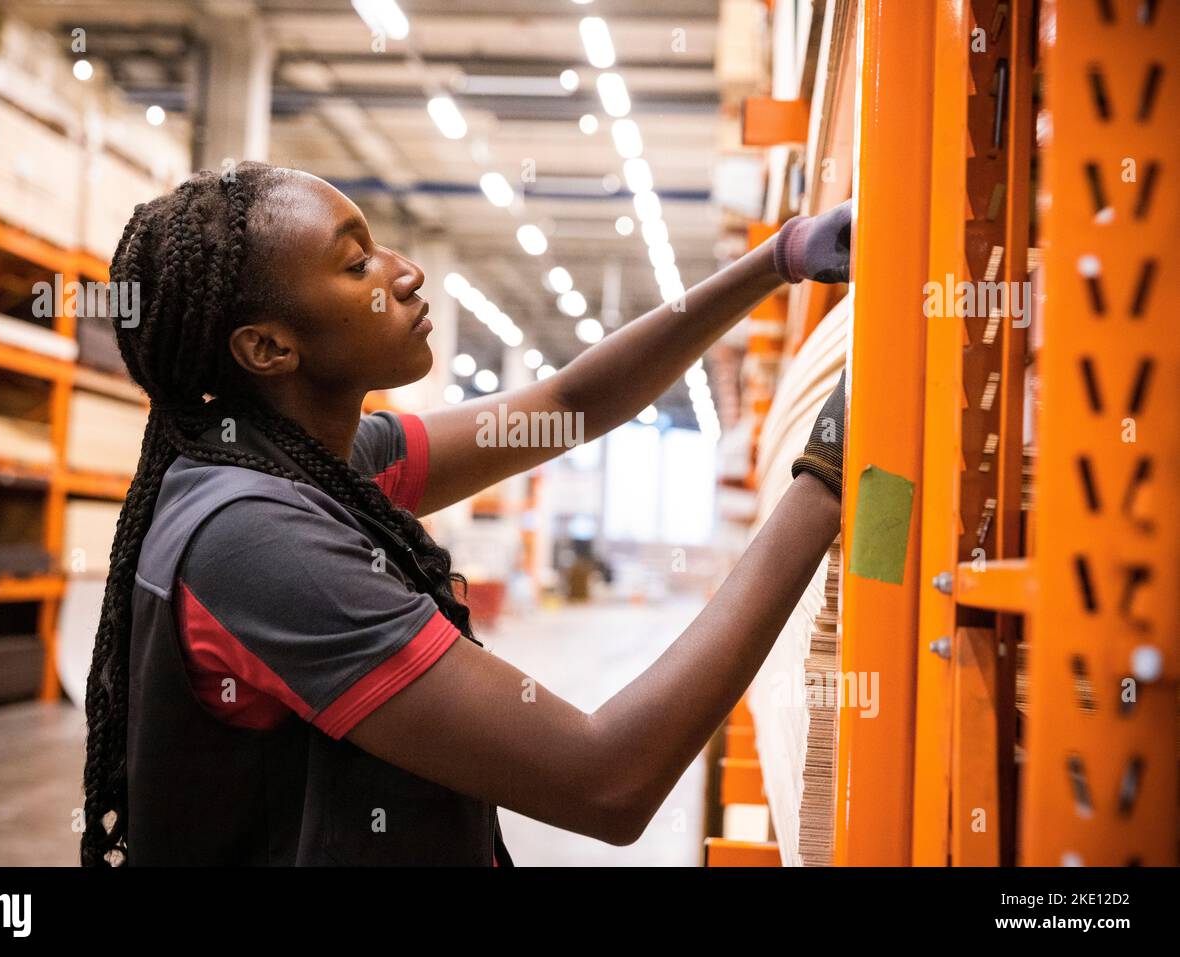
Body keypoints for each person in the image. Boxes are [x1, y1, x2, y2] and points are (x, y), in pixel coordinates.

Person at [79, 161, 852, 866]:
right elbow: (607, 779)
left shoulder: (315, 459)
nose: (408, 273)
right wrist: (824, 476)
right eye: (357, 265)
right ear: (269, 347)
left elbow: (567, 405)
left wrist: (780, 258)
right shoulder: (255, 540)